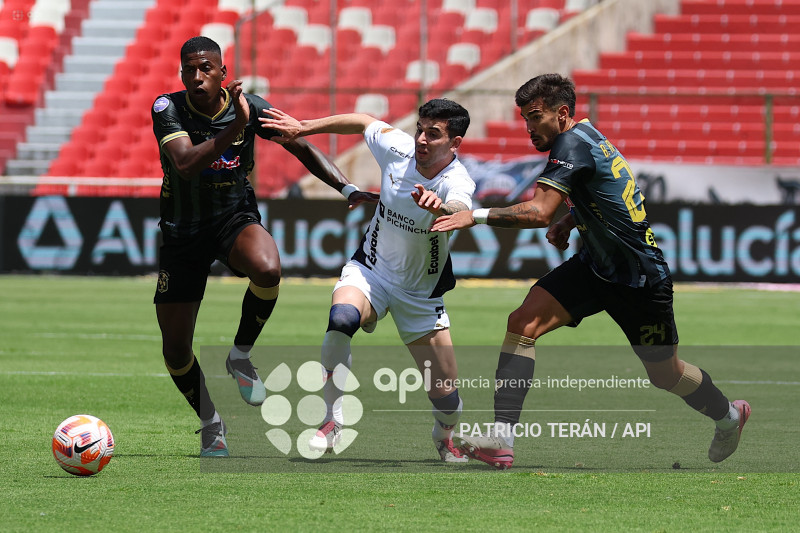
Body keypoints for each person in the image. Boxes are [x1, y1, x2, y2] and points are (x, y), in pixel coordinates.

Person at [430, 73, 750, 469]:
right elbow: (610, 189)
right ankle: (501, 438)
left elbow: (538, 212)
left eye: (536, 117)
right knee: (523, 323)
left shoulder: (571, 144)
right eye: (525, 118)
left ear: (562, 113)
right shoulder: (587, 136)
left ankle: (729, 417)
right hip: (596, 267)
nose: (529, 127)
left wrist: (473, 216)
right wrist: (572, 219)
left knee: (665, 375)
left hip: (639, 279)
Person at [151, 36, 376, 457]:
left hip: (232, 219)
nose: (196, 77)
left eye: (205, 68)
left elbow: (298, 142)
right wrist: (237, 126)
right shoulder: (168, 108)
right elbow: (184, 164)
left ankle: (240, 355)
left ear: (222, 73)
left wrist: (346, 187)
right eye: (189, 69)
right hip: (183, 233)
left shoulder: (250, 106)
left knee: (269, 268)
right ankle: (211, 423)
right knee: (176, 350)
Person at [262, 99, 475, 462]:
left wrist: (439, 207)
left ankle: (444, 437)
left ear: (454, 143)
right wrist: (303, 127)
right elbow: (362, 121)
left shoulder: (456, 180)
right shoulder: (398, 148)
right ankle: (333, 420)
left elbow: (461, 209)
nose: (421, 139)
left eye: (433, 134)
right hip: (370, 271)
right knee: (341, 319)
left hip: (419, 295)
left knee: (448, 400)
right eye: (419, 129)